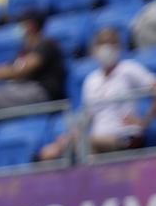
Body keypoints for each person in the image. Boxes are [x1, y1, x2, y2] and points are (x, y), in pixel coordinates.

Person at [40, 27, 156, 160]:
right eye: (101, 43)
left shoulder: (128, 69)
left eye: (111, 43)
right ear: (94, 49)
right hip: (97, 139)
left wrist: (145, 122)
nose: (106, 48)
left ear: (118, 46)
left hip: (125, 135)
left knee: (78, 145)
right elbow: (87, 117)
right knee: (49, 153)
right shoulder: (91, 80)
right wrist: (71, 135)